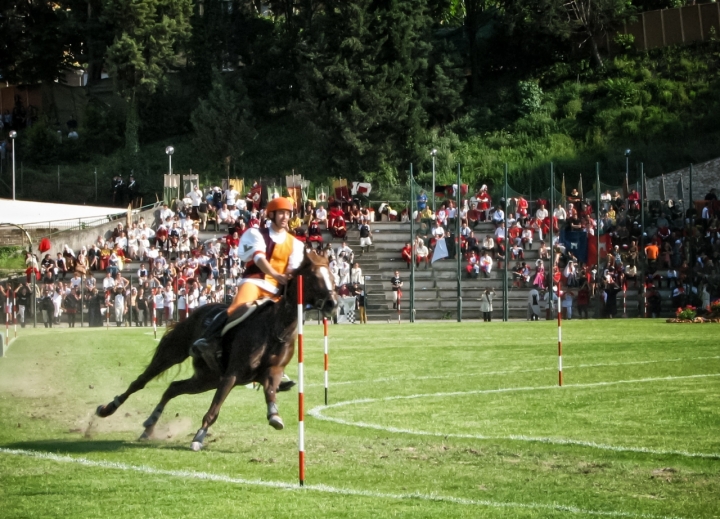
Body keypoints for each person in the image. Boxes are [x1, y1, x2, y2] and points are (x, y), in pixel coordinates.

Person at [190, 197, 305, 373]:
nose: (285, 217)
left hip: (276, 290)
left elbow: (293, 268)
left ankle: (275, 368)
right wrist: (275, 274)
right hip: (255, 281)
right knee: (236, 308)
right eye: (281, 213)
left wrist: (289, 276)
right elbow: (259, 259)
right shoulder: (255, 233)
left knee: (280, 326)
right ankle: (209, 340)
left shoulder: (295, 243)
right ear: (271, 215)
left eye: (288, 213)